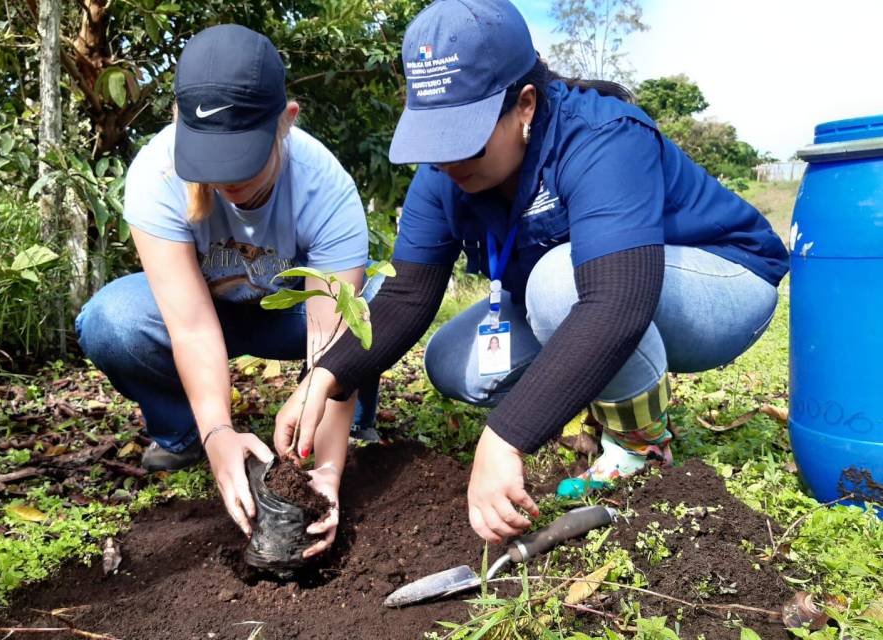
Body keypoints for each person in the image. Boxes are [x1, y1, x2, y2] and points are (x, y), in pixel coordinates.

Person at [273, 0, 788, 545]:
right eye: (435, 138)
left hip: (722, 285)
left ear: (524, 105)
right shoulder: (443, 176)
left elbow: (617, 301)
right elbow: (405, 296)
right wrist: (324, 376)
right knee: (454, 363)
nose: (447, 161)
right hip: (595, 292)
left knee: (557, 281)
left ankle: (642, 444)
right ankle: (596, 396)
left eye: (463, 137)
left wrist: (504, 438)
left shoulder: (601, 136)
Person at [76, 25, 380, 557]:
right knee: (112, 320)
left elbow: (334, 337)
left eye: (242, 157)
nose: (226, 180)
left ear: (287, 121)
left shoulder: (324, 186)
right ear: (178, 123)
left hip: (294, 317)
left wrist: (328, 470)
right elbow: (190, 325)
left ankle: (353, 423)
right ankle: (183, 434)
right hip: (212, 311)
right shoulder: (156, 173)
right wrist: (218, 431)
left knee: (373, 306)